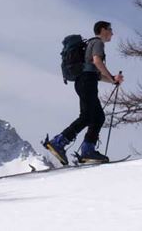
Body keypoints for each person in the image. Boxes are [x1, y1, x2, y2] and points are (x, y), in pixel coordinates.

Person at [45, 21, 124, 164]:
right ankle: (60, 142)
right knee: (88, 116)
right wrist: (112, 77)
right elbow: (97, 62)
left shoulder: (90, 44)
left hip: (85, 81)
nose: (112, 33)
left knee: (98, 116)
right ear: (102, 30)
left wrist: (112, 80)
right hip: (86, 82)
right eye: (110, 30)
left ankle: (88, 149)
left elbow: (95, 72)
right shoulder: (98, 43)